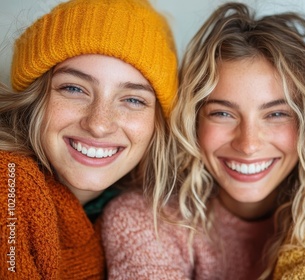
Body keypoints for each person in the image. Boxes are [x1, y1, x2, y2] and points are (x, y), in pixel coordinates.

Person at [101, 2, 305, 279]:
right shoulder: (145, 219)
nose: (248, 144)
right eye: (222, 113)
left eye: (276, 114)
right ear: (194, 120)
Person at [0, 0, 177, 278]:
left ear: (158, 124)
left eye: (132, 99)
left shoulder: (145, 215)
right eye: (74, 88)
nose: (98, 125)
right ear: (34, 100)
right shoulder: (9, 185)